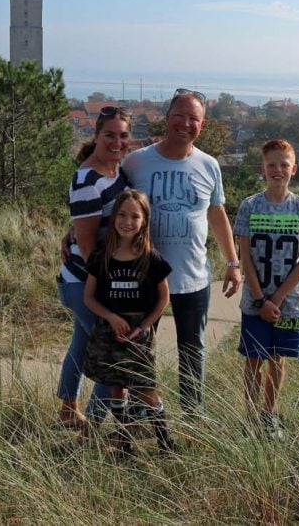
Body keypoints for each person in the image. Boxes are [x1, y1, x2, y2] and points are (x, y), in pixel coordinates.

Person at [120, 88, 241, 414]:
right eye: (180, 116)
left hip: (193, 278)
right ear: (167, 117)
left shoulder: (209, 165)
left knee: (193, 350)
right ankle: (139, 415)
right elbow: (109, 204)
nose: (185, 123)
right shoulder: (137, 162)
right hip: (144, 278)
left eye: (194, 118)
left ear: (201, 124)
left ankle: (192, 416)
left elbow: (216, 214)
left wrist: (232, 261)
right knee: (141, 349)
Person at [234, 139, 299, 439]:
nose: (277, 170)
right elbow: (245, 257)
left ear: (293, 169)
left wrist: (278, 299)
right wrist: (261, 300)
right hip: (254, 302)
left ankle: (268, 415)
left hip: (289, 304)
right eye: (271, 164)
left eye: (284, 165)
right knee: (253, 359)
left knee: (277, 359)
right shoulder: (249, 206)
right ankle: (248, 415)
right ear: (263, 168)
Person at [82, 190, 175, 454]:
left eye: (135, 216)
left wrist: (144, 327)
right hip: (109, 332)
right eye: (122, 215)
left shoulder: (151, 257)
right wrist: (110, 317)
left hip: (138, 333)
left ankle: (165, 442)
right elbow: (89, 297)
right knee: (116, 386)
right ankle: (124, 443)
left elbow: (163, 298)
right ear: (113, 219)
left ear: (144, 221)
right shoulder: (102, 256)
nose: (127, 221)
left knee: (146, 388)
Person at [56, 106, 132, 428]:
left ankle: (67, 410)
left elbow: (89, 225)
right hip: (84, 282)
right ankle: (93, 427)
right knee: (114, 353)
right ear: (97, 136)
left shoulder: (116, 170)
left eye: (123, 135)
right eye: (109, 135)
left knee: (82, 343)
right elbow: (88, 247)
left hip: (88, 278)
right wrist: (106, 292)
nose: (117, 142)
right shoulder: (88, 179)